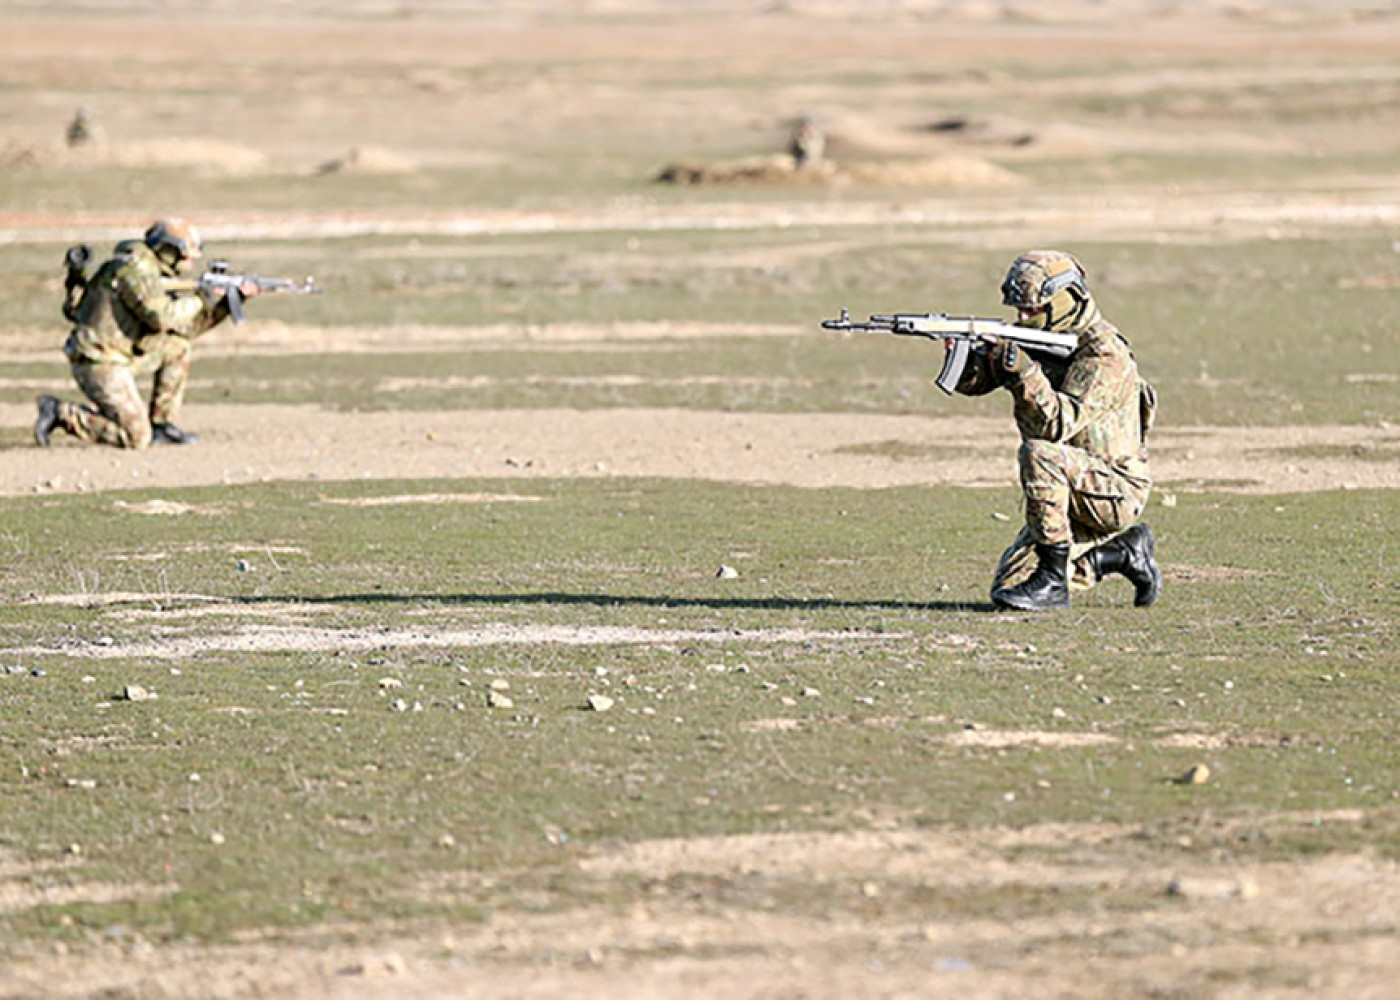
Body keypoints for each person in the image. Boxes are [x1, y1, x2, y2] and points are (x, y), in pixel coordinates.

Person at [950, 250, 1162, 611]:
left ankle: (1052, 581)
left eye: (1031, 310)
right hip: (1067, 484)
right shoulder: (1040, 337)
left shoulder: (1102, 354)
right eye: (1019, 310)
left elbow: (1057, 425)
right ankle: (1121, 554)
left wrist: (1023, 372)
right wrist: (968, 357)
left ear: (1064, 300)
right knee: (1009, 588)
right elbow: (974, 386)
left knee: (1038, 453)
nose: (1022, 318)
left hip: (1112, 488)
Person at [34, 218, 259, 449]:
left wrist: (223, 306)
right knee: (137, 438)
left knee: (177, 348)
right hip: (98, 361)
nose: (190, 264)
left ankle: (162, 424)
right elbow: (162, 317)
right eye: (187, 257)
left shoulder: (149, 272)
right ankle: (62, 413)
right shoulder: (134, 272)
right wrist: (201, 300)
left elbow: (184, 330)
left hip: (122, 354)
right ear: (171, 251)